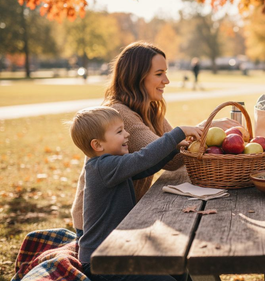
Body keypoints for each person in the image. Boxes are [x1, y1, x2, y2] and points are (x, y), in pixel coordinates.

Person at [71, 42, 238, 237]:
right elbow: (152, 154)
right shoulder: (120, 113)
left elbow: (172, 160)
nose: (166, 80)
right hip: (100, 225)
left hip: (126, 212)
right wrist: (204, 128)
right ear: (136, 78)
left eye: (165, 73)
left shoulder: (150, 108)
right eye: (159, 74)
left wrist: (201, 135)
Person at [69, 106, 203, 281]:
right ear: (98, 145)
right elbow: (143, 158)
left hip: (119, 251)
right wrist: (177, 134)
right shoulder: (103, 167)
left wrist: (173, 150)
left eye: (124, 129)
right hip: (100, 260)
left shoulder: (112, 166)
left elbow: (145, 168)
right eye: (119, 131)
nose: (127, 134)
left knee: (178, 271)